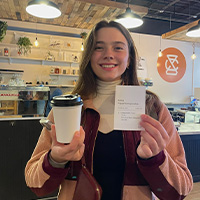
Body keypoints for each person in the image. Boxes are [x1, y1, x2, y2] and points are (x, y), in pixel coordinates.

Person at [25, 20, 193, 200]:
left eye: (118, 48)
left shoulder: (152, 107)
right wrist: (55, 160)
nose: (109, 55)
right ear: (89, 56)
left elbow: (181, 189)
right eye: (99, 47)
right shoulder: (69, 108)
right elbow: (35, 183)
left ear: (129, 59)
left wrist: (156, 159)